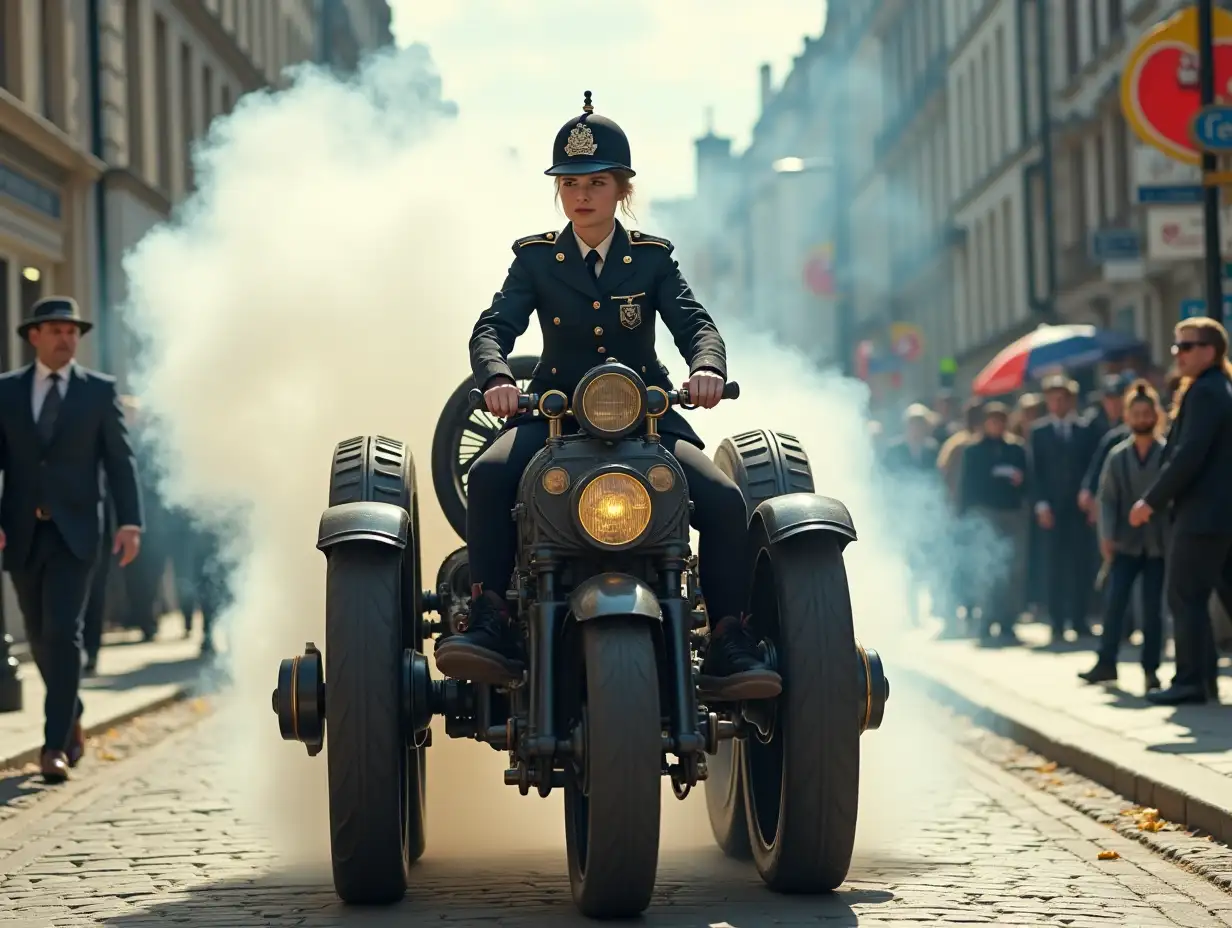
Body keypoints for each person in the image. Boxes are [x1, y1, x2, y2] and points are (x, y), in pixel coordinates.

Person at [432, 93, 778, 701]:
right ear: (559, 192)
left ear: (622, 188)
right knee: (488, 477)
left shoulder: (651, 260)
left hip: (648, 419)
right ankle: (494, 619)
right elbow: (493, 329)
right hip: (555, 415)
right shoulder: (536, 259)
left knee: (724, 499)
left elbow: (697, 325)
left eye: (597, 181)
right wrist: (497, 380)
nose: (582, 194)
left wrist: (706, 367)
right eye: (570, 183)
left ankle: (726, 636)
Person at [0, 297, 143, 782]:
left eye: (72, 331)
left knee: (64, 632)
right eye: (55, 330)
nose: (66, 338)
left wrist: (130, 522)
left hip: (78, 533)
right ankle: (72, 704)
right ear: (33, 336)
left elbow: (120, 462)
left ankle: (53, 746)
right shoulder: (7, 391)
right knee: (40, 638)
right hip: (22, 531)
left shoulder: (98, 392)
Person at [1131, 317, 1232, 705]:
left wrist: (1150, 500)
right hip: (1218, 515)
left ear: (1210, 350)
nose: (1179, 354)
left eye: (1186, 347)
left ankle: (1191, 682)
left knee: (1185, 596)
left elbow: (1189, 455)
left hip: (1203, 515)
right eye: (1176, 347)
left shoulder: (1206, 392)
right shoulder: (1216, 387)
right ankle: (1202, 680)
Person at [1079, 381, 1167, 692]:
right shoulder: (1118, 456)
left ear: (1155, 415)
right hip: (1125, 543)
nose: (1142, 419)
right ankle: (1106, 662)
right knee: (1115, 602)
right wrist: (1106, 537)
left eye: (1147, 413)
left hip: (1158, 544)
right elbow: (1107, 499)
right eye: (1137, 413)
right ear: (1128, 417)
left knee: (1153, 609)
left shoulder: (1166, 453)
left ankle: (1151, 670)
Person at [1030, 375, 1099, 643]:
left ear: (1071, 400)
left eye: (1062, 397)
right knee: (1055, 567)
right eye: (1052, 397)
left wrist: (1091, 498)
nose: (1057, 403)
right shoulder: (1039, 432)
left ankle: (1079, 620)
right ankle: (1057, 622)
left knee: (1081, 565)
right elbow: (1035, 471)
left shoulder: (1085, 430)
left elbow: (1093, 467)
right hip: (1052, 510)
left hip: (1078, 508)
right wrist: (1041, 504)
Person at [957, 403, 1029, 644]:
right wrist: (965, 516)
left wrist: (1018, 480)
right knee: (987, 569)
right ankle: (986, 621)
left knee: (1012, 570)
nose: (996, 426)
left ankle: (1008, 622)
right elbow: (967, 485)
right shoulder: (974, 451)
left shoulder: (1016, 449)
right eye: (992, 421)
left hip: (1011, 512)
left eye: (1001, 421)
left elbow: (1029, 479)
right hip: (985, 514)